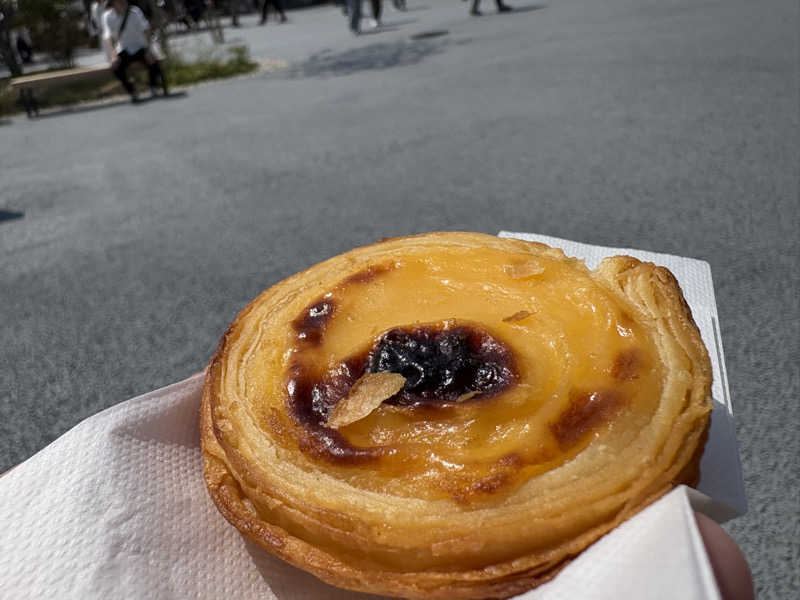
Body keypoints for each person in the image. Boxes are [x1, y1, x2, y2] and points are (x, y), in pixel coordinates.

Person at [102, 0, 169, 103]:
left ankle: (153, 86)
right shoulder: (107, 16)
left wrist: (148, 49)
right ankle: (132, 91)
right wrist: (113, 55)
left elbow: (146, 30)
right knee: (116, 68)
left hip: (140, 46)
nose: (123, 3)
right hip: (124, 48)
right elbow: (108, 37)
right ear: (113, 3)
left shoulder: (135, 12)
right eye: (119, 1)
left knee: (153, 62)